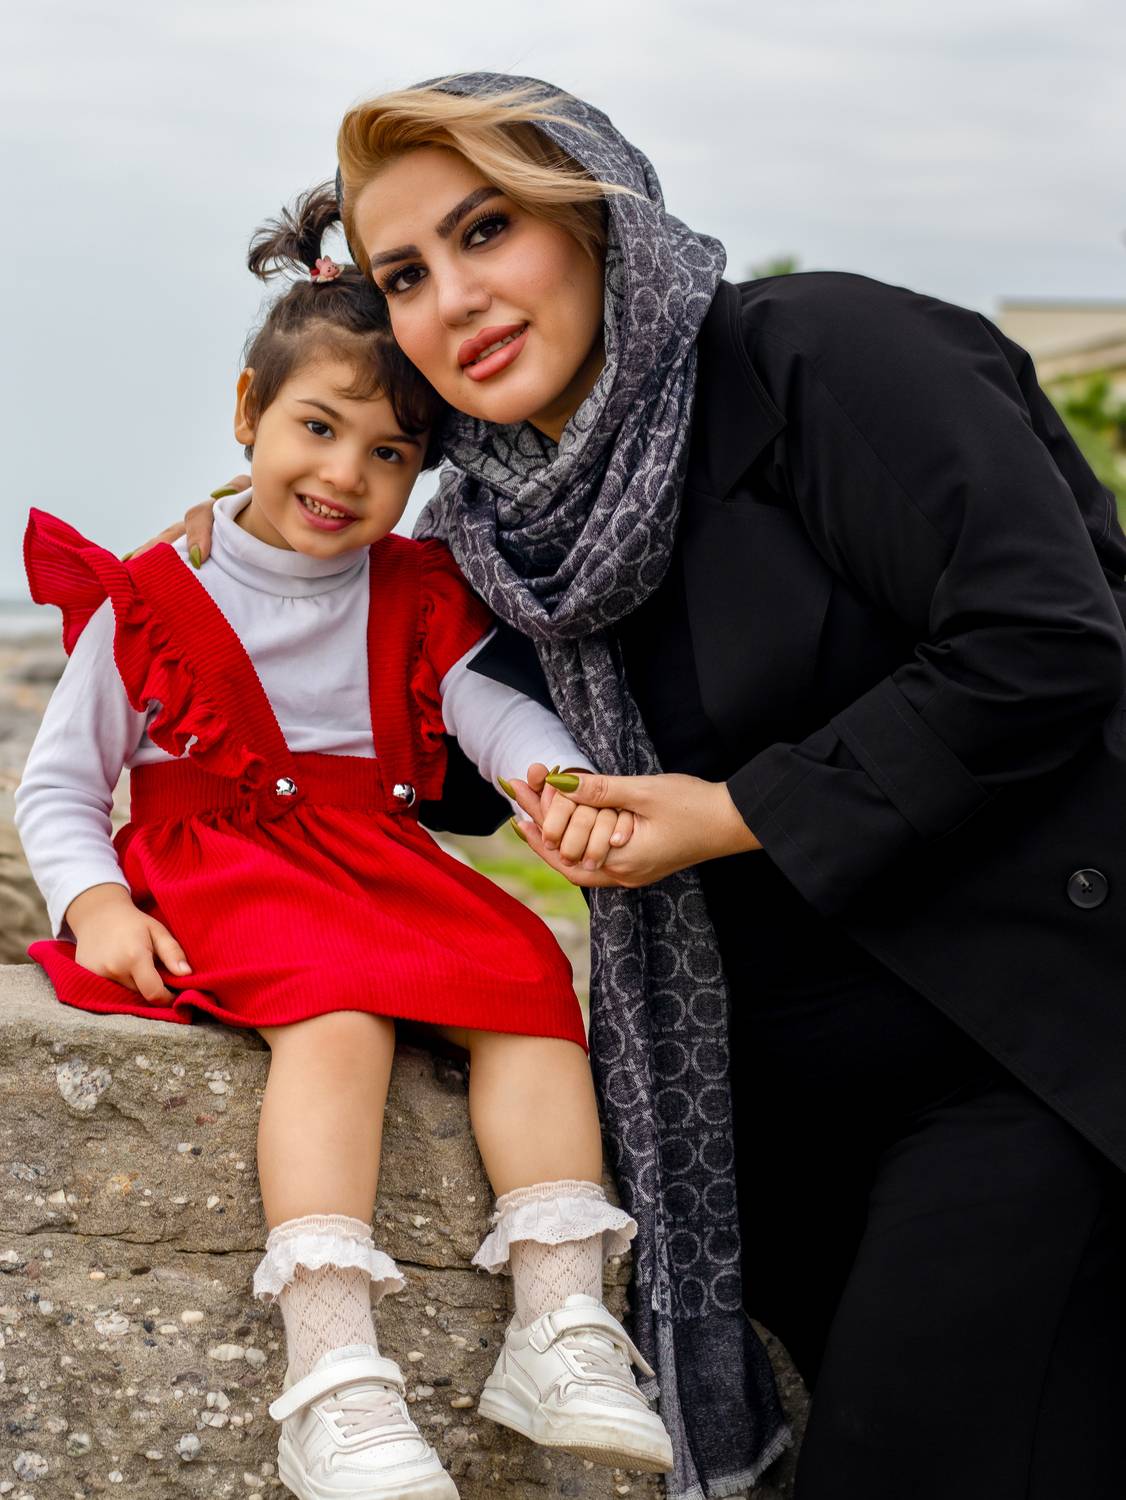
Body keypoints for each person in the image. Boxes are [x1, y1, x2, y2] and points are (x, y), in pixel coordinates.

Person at [149, 75, 1126, 1500]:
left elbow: (1045, 641)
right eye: (404, 275)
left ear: (595, 215)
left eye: (488, 230)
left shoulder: (819, 355)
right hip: (758, 1127)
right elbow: (447, 766)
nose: (454, 299)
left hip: (1025, 1048)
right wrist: (264, 577)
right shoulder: (493, 521)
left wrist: (733, 813)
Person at [14, 187, 676, 1500]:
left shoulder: (411, 590)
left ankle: (556, 1323)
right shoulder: (155, 597)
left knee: (528, 982)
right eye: (316, 428)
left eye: (389, 454)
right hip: (225, 866)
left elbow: (487, 710)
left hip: (373, 856)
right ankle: (332, 1376)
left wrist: (551, 779)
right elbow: (60, 785)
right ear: (248, 412)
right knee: (339, 1017)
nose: (343, 476)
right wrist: (97, 906)